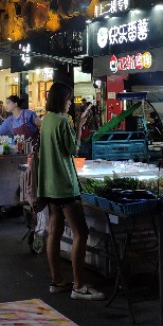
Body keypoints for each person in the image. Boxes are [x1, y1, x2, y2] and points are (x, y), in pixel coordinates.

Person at [37, 81, 104, 301]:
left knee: (54, 232)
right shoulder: (63, 122)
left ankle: (57, 280)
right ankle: (79, 285)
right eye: (68, 100)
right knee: (81, 233)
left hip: (49, 185)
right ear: (61, 100)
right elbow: (73, 150)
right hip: (65, 184)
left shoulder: (46, 121)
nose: (69, 104)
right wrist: (79, 126)